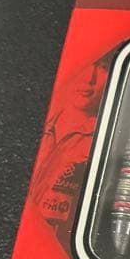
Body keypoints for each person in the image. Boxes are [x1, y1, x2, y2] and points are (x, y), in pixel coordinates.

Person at [31, 54, 109, 246]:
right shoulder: (39, 119)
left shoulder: (105, 142)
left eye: (102, 66)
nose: (89, 78)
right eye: (84, 63)